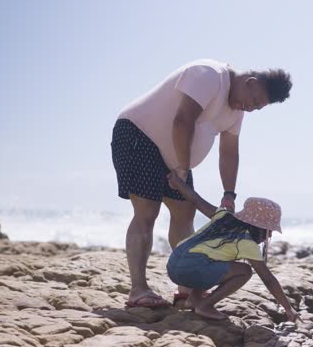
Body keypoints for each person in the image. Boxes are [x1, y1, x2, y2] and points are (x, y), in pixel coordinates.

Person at [111, 59, 292, 307]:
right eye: (255, 101)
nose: (251, 109)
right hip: (138, 134)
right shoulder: (209, 75)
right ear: (251, 83)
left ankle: (187, 289)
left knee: (185, 213)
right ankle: (138, 290)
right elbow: (182, 120)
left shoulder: (236, 112)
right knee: (147, 210)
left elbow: (229, 153)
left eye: (258, 108)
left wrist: (229, 194)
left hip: (175, 157)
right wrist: (183, 169)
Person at [165, 171, 300, 322]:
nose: (269, 236)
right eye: (269, 231)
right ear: (260, 228)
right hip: (192, 268)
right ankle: (205, 306)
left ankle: (194, 300)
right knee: (244, 271)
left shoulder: (223, 216)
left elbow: (196, 200)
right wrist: (288, 307)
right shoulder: (246, 242)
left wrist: (177, 183)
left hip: (173, 264)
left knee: (214, 260)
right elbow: (267, 278)